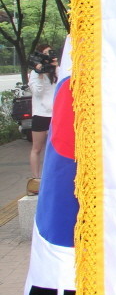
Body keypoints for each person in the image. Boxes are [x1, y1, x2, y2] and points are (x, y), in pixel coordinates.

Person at [28, 44, 58, 189]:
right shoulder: (34, 73)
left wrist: (56, 66)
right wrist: (39, 74)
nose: (49, 56)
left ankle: (54, 176)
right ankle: (36, 179)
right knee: (37, 148)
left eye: (50, 53)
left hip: (56, 113)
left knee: (56, 147)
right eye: (46, 53)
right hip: (41, 114)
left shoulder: (56, 70)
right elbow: (38, 93)